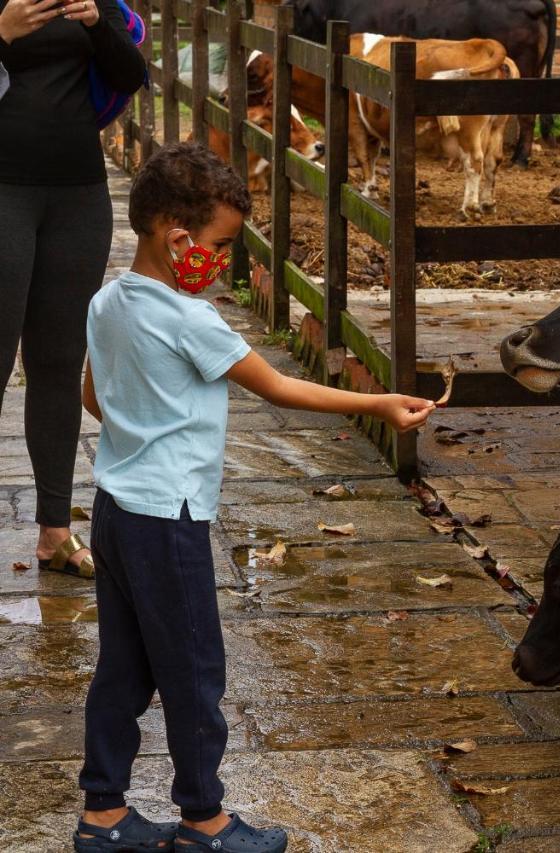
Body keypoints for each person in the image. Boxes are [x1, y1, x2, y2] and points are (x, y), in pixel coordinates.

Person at [73, 142, 436, 853]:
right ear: (178, 239)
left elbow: (94, 396)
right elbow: (279, 386)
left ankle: (104, 811)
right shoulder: (190, 320)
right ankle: (204, 819)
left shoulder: (108, 300)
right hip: (167, 519)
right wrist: (382, 402)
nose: (222, 260)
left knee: (123, 665)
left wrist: (144, 418)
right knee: (194, 668)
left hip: (114, 508)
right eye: (220, 244)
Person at [0, 0, 147, 578]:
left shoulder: (97, 1)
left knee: (60, 363)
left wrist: (94, 23)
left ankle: (54, 532)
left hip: (79, 196)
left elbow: (129, 75)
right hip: (3, 189)